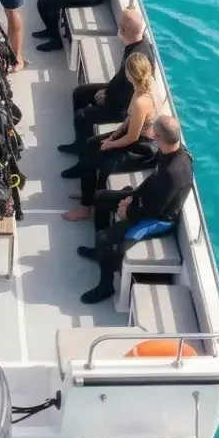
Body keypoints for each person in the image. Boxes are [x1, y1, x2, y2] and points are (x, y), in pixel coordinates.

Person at [76, 114, 193, 304]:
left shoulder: (173, 171)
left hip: (159, 220)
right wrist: (132, 196)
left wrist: (127, 212)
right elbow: (152, 180)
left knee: (104, 238)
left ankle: (105, 288)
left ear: (157, 138)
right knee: (101, 198)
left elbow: (154, 210)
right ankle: (99, 253)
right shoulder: (171, 152)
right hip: (146, 203)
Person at [62, 50, 162, 215]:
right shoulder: (146, 83)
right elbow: (130, 121)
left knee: (96, 159)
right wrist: (114, 135)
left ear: (130, 75)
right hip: (134, 134)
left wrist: (110, 143)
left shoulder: (141, 101)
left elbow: (132, 137)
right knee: (90, 144)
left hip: (143, 147)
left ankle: (87, 206)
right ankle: (88, 194)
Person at [60, 8, 156, 151]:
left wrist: (106, 98)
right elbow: (121, 82)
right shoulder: (139, 46)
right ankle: (81, 138)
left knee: (82, 116)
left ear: (122, 31)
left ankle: (82, 150)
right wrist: (107, 90)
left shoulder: (134, 61)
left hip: (122, 107)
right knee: (80, 93)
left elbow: (128, 94)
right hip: (117, 91)